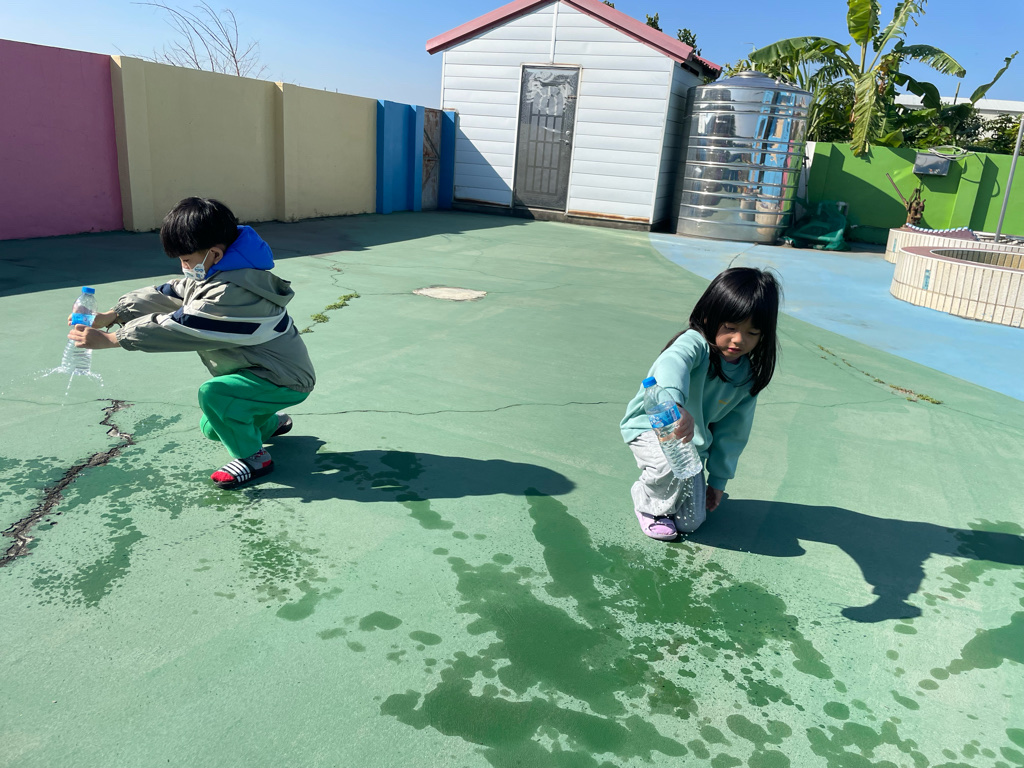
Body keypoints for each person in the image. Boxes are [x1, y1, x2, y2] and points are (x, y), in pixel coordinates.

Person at [68, 197, 316, 490]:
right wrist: (113, 315)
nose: (183, 267)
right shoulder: (220, 273)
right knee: (212, 427)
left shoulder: (234, 293)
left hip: (284, 379)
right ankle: (271, 423)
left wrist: (113, 338)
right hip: (259, 372)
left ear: (215, 253)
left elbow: (182, 324)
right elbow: (170, 292)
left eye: (186, 260)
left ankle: (254, 459)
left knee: (215, 396)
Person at [619, 267, 781, 540]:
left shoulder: (746, 377)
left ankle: (666, 496)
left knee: (691, 522)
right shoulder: (694, 343)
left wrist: (718, 480)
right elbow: (674, 362)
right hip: (653, 426)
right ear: (709, 317)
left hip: (690, 448)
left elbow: (733, 432)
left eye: (752, 332)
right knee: (668, 467)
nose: (739, 339)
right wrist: (675, 406)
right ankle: (647, 504)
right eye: (730, 327)